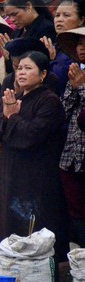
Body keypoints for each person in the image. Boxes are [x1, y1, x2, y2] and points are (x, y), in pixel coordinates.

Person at [0, 51, 69, 282]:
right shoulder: (13, 98)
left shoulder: (50, 101)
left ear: (42, 75)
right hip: (10, 179)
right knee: (8, 235)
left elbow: (30, 137)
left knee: (35, 236)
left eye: (28, 68)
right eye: (19, 68)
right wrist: (7, 115)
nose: (21, 72)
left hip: (37, 183)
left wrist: (13, 118)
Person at [57, 27, 85, 248]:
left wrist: (82, 87)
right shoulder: (75, 73)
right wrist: (75, 87)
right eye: (78, 44)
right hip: (72, 155)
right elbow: (63, 110)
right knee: (75, 211)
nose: (81, 49)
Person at [42, 0, 85, 95]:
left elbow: (59, 82)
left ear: (81, 20)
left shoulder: (80, 51)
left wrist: (51, 61)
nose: (59, 19)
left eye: (66, 15)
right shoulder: (53, 47)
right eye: (57, 15)